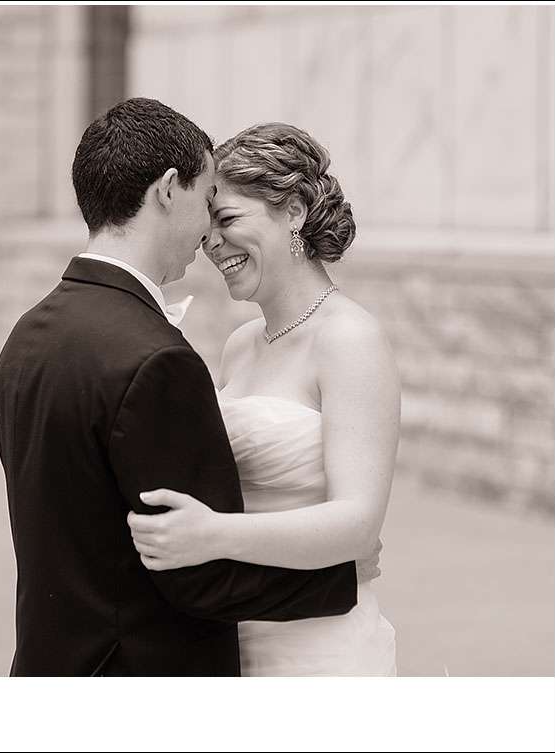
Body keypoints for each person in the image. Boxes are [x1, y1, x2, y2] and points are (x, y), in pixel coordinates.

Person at [0, 99, 359, 677]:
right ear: (169, 189)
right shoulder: (157, 357)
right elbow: (196, 577)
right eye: (207, 198)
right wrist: (342, 580)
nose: (208, 237)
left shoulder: (30, 335)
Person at [127, 122, 399, 676]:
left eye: (227, 221)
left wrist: (212, 536)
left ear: (294, 210)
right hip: (236, 628)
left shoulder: (349, 339)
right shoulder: (240, 345)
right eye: (206, 233)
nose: (213, 247)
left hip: (318, 645)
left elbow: (358, 524)